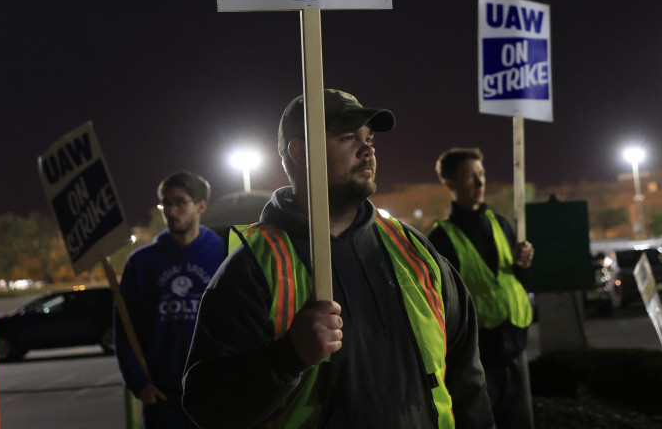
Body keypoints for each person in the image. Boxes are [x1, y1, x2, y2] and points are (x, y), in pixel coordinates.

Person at [182, 88, 492, 428]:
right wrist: (288, 356)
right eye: (348, 137)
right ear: (300, 152)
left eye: (369, 138)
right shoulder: (253, 268)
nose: (368, 149)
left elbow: (467, 380)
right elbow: (207, 406)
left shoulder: (414, 249)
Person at [428, 147, 534, 429]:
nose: (480, 182)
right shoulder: (440, 239)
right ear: (449, 184)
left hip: (515, 344)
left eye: (482, 174)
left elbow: (515, 281)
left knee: (521, 420)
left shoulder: (499, 223)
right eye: (469, 176)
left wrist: (523, 265)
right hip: (477, 355)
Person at [116, 172, 227, 428]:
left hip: (216, 394)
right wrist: (138, 383)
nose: (170, 210)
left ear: (201, 206)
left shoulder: (224, 254)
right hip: (163, 398)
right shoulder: (142, 263)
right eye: (165, 203)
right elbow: (124, 327)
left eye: (179, 202)